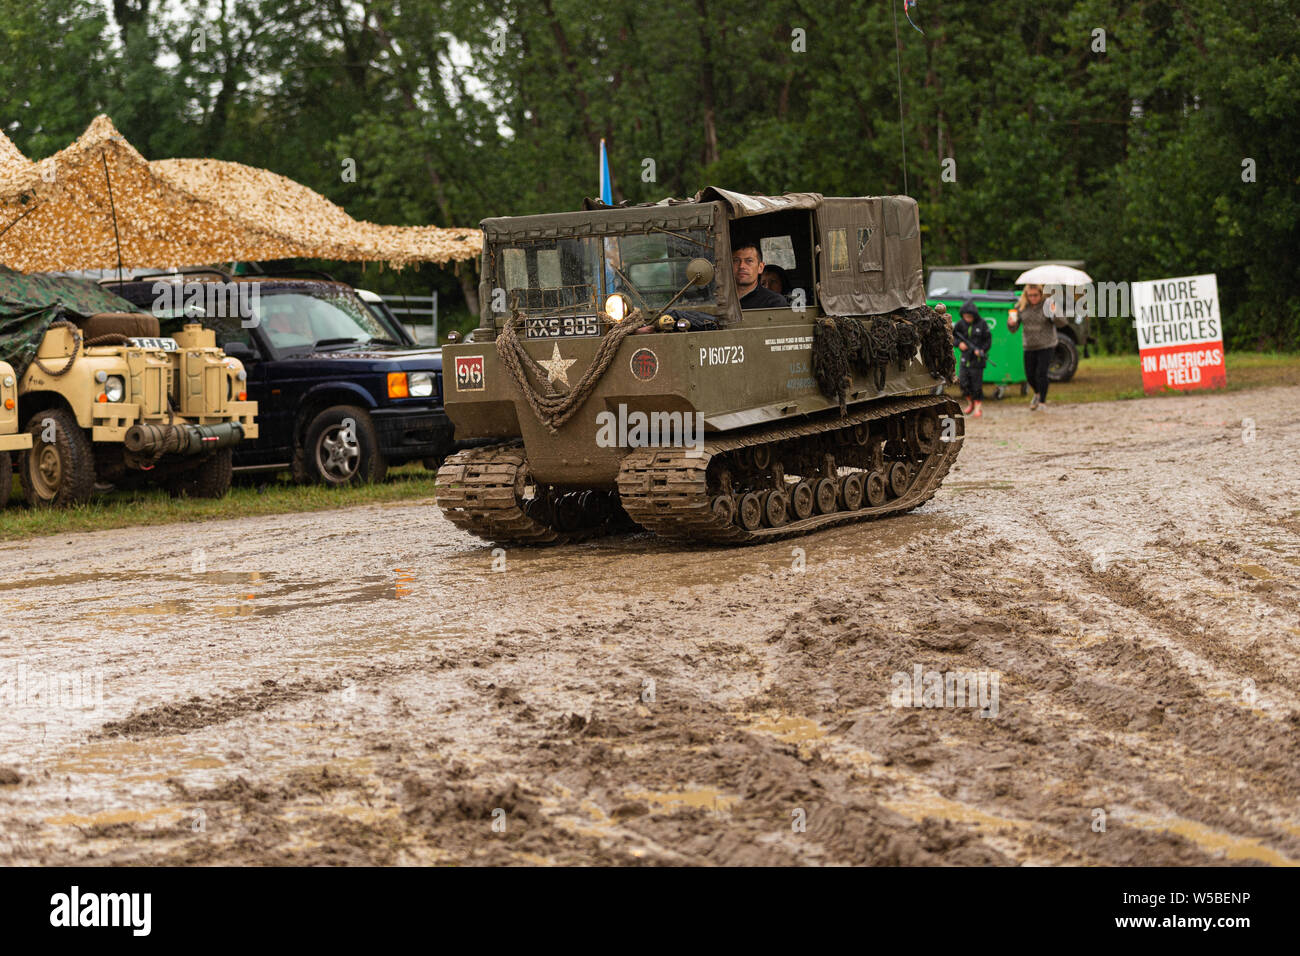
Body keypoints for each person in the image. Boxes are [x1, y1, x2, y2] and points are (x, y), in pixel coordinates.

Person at [1008, 283, 1066, 410]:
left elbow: (1062, 323)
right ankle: (1037, 393)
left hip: (1046, 344)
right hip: (1029, 345)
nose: (1033, 298)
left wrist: (1055, 313)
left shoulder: (1048, 304)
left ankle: (1042, 402)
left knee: (1041, 373)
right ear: (1026, 295)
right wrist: (1011, 323)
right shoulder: (1021, 307)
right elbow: (1013, 329)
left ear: (1041, 294)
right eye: (1030, 295)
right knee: (1030, 375)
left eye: (1035, 295)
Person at [953, 299, 991, 418]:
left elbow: (988, 340)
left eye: (969, 316)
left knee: (976, 385)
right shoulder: (959, 324)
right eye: (965, 316)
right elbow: (952, 337)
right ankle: (971, 403)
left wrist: (982, 350)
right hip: (965, 359)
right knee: (963, 383)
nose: (967, 318)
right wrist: (958, 344)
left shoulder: (982, 324)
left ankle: (978, 407)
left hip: (977, 361)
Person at [732, 240, 787, 309]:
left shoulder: (774, 301)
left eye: (749, 261)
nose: (741, 266)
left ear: (760, 267)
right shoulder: (719, 299)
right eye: (736, 261)